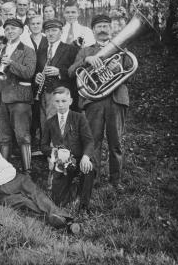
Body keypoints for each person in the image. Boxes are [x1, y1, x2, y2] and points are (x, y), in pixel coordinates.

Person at [0, 130, 77, 230]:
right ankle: (59, 221)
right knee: (21, 202)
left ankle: (61, 217)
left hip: (5, 182)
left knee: (32, 190)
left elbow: (10, 170)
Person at [68, 14, 129, 191]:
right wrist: (85, 61)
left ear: (111, 29)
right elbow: (71, 72)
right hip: (94, 101)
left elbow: (130, 73)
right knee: (93, 141)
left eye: (105, 26)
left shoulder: (121, 48)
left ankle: (115, 181)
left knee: (116, 142)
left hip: (117, 100)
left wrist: (115, 68)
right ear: (93, 30)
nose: (103, 29)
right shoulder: (86, 50)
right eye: (99, 26)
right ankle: (91, 179)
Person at [0, 18, 36, 174]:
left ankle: (27, 171)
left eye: (14, 29)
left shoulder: (28, 50)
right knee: (3, 137)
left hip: (19, 99)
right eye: (7, 29)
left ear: (21, 31)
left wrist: (11, 63)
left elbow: (29, 73)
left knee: (22, 135)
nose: (10, 31)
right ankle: (4, 170)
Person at [40, 87, 95, 212]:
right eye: (57, 101)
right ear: (53, 102)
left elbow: (89, 141)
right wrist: (53, 153)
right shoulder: (49, 122)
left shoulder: (79, 118)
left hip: (79, 159)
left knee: (88, 170)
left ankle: (84, 206)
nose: (60, 105)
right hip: (61, 164)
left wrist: (86, 157)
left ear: (70, 101)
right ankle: (73, 189)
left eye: (64, 101)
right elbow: (43, 146)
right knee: (58, 201)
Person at [35, 19, 79, 124]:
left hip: (61, 95)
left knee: (58, 126)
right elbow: (37, 70)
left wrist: (59, 72)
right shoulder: (40, 51)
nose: (50, 33)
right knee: (44, 126)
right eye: (48, 31)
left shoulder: (71, 49)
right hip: (42, 94)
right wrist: (36, 77)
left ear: (61, 32)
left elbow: (76, 71)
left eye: (54, 30)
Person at [28, 15, 49, 146]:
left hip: (44, 79)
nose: (35, 26)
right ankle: (32, 142)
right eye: (33, 24)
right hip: (29, 80)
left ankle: (44, 142)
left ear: (42, 25)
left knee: (44, 112)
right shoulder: (25, 40)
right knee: (32, 112)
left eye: (38, 23)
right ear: (29, 26)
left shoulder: (48, 40)